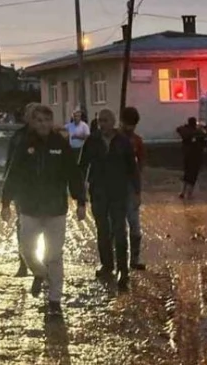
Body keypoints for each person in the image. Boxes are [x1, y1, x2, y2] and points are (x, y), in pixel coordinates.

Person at [1, 105, 87, 318]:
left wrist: (81, 201)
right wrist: (5, 202)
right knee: (27, 251)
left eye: (46, 121)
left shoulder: (60, 145)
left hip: (56, 209)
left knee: (54, 255)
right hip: (29, 208)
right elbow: (12, 174)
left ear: (52, 122)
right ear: (32, 122)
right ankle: (39, 273)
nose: (43, 125)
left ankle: (55, 300)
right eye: (38, 120)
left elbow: (73, 174)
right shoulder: (24, 144)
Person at [79, 109, 139, 291]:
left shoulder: (123, 141)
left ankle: (123, 269)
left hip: (118, 192)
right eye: (99, 121)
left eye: (105, 120)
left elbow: (132, 168)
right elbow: (82, 166)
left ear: (113, 122)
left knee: (120, 230)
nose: (101, 124)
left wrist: (137, 192)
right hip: (98, 192)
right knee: (102, 230)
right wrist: (80, 193)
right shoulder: (92, 141)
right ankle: (107, 265)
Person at [6, 102, 40, 278]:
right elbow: (10, 166)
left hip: (44, 190)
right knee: (23, 226)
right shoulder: (18, 137)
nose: (34, 118)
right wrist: (7, 194)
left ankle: (44, 263)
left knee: (45, 226)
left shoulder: (50, 137)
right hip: (23, 190)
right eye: (31, 114)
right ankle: (23, 262)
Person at [119, 106, 147, 270]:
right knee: (117, 227)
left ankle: (134, 259)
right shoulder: (113, 138)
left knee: (135, 225)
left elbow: (140, 166)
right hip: (114, 188)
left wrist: (137, 190)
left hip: (130, 187)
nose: (130, 128)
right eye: (128, 124)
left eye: (133, 125)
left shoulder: (137, 141)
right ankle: (119, 259)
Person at [177, 117, 207, 200]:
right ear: (195, 123)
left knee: (186, 173)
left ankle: (183, 192)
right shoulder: (198, 132)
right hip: (196, 156)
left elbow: (178, 129)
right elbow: (206, 135)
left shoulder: (185, 131)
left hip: (186, 155)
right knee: (193, 175)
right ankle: (189, 194)